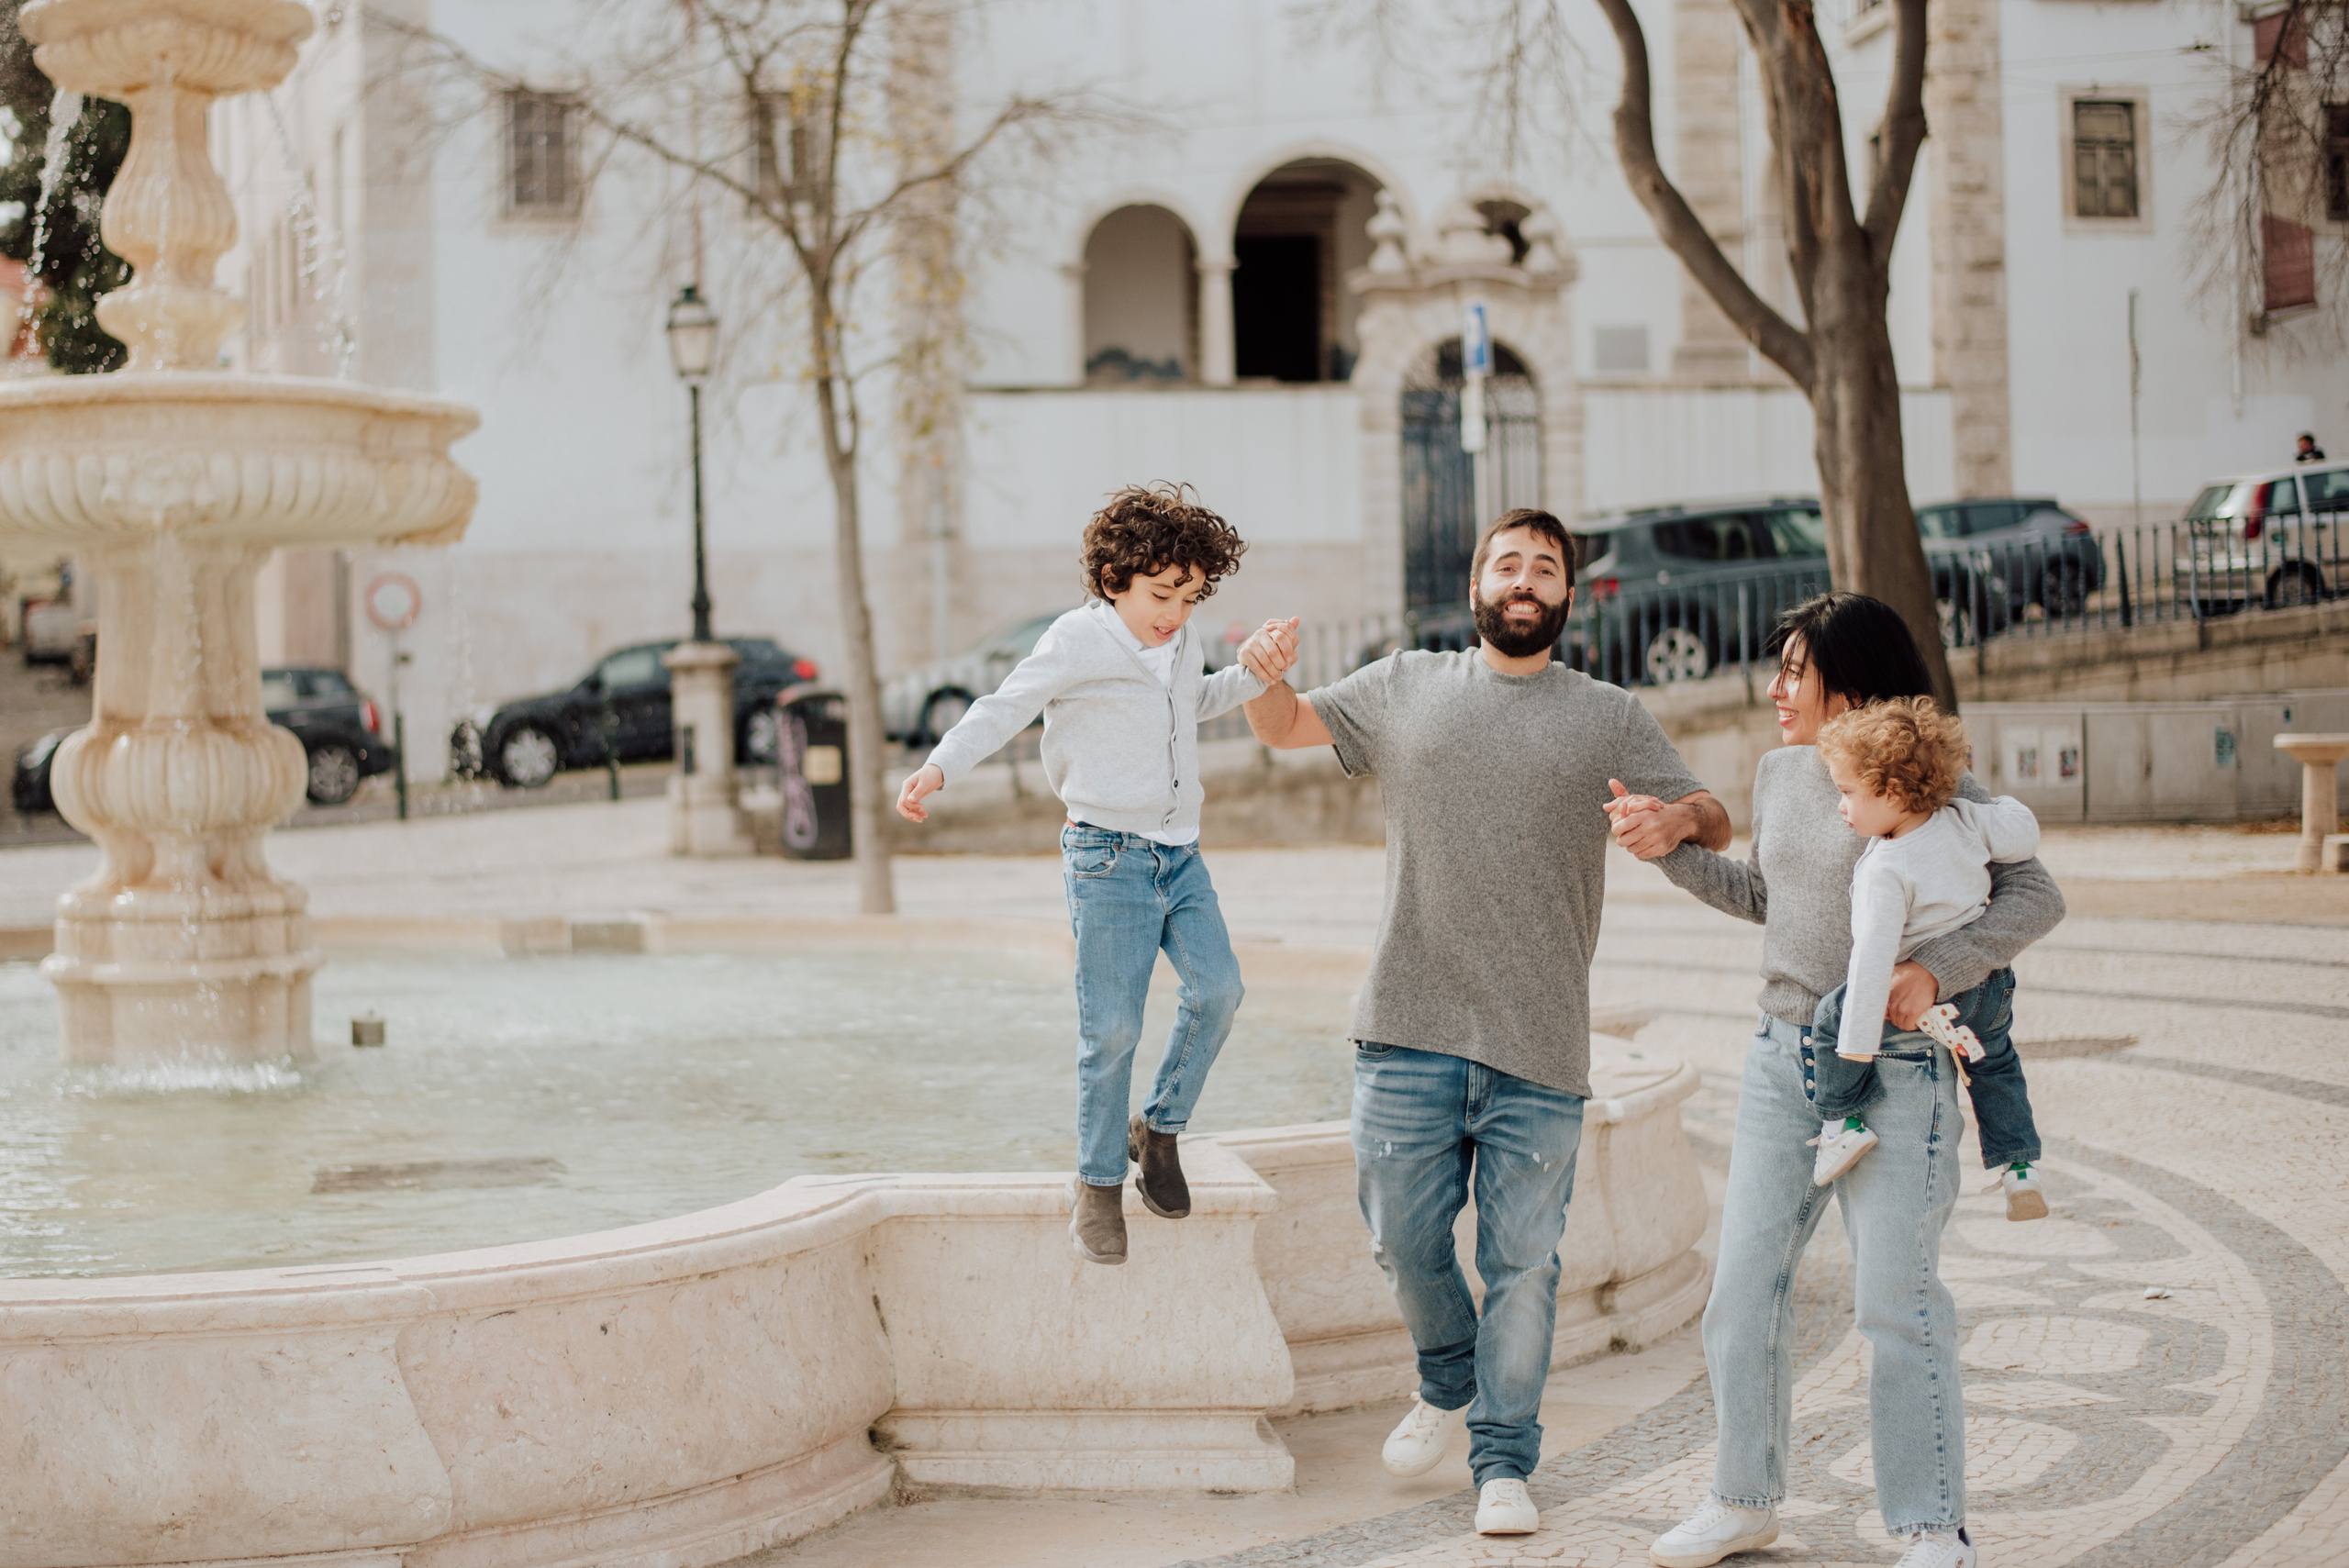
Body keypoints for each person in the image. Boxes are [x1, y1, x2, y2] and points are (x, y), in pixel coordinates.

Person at [1234, 508, 1731, 1540]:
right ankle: (1447, 1374)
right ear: (1475, 586)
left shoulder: (1606, 713)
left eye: (1542, 567)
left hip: (1540, 1041)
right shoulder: (1403, 683)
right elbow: (1283, 727)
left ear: (1564, 597)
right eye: (1505, 562)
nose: (1522, 578)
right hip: (1406, 1020)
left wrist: (1674, 820)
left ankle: (1504, 1460)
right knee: (1397, 1235)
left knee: (1525, 1264)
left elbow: (1712, 814)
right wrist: (1260, 671)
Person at [1612, 593, 2065, 1568]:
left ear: (1848, 684)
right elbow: (1769, 900)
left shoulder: (1926, 777)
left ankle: (1929, 1523)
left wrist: (1933, 969)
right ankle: (1741, 1499)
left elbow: (2036, 892)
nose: (1775, 687)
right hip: (1783, 1058)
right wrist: (1672, 850)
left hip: (1900, 1069)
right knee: (1741, 1292)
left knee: (1894, 1300)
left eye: (1792, 670)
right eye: (1776, 667)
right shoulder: (1784, 773)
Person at [896, 483, 1267, 1266]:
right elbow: (1002, 707)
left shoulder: (1181, 642)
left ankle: (1157, 1130)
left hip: (1181, 855)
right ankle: (1097, 1185)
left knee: (1221, 990)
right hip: (1107, 860)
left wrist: (1257, 673)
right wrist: (938, 768)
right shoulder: (1077, 639)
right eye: (1163, 594)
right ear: (1113, 581)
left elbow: (1191, 702)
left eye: (1191, 598)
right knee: (1114, 1030)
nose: (1175, 612)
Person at [1806, 698, 2051, 1224]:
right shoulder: (1964, 818)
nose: (1840, 806)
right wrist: (2001, 805)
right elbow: (2023, 833)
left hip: (1926, 999)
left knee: (1827, 1021)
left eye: (1847, 793)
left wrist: (1857, 1043)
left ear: (1891, 791)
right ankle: (2019, 1167)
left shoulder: (1885, 870)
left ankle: (1841, 1125)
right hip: (1987, 987)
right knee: (1994, 1063)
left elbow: (1870, 965)